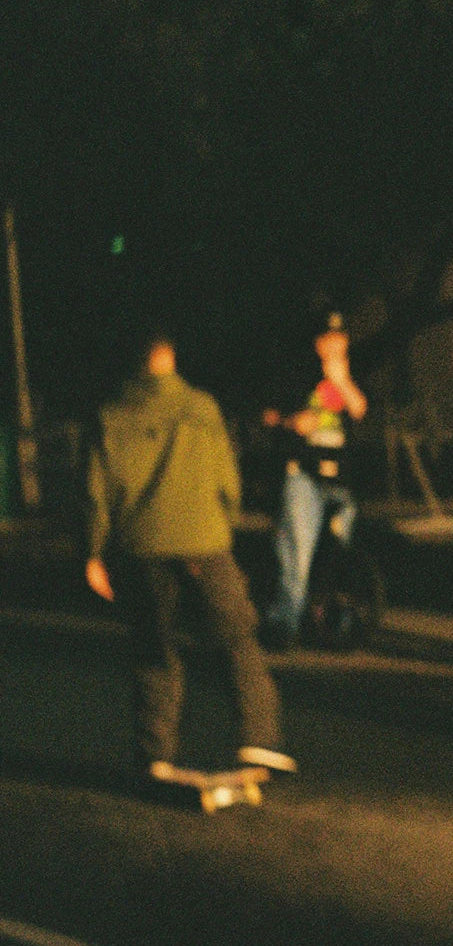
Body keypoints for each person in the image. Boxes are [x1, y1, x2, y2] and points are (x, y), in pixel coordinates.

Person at [85, 324, 295, 779]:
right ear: (171, 359)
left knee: (154, 649)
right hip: (204, 543)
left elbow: (97, 492)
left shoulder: (111, 414)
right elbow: (228, 482)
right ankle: (259, 739)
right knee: (236, 639)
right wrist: (223, 525)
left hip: (141, 547)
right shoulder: (202, 408)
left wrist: (94, 553)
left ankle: (156, 751)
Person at [261, 310, 368, 648]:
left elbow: (361, 409)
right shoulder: (298, 373)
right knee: (297, 550)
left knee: (339, 553)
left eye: (339, 340)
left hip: (342, 477)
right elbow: (271, 415)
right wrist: (294, 422)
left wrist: (343, 381)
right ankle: (285, 622)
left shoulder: (354, 372)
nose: (333, 346)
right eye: (326, 340)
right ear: (317, 344)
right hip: (304, 474)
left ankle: (330, 619)